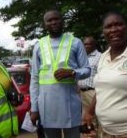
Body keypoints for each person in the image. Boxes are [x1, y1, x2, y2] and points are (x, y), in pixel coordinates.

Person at [30, 9, 91, 138]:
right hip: (47, 107)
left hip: (70, 105)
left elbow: (87, 70)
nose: (54, 22)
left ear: (63, 21)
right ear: (44, 24)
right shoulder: (38, 45)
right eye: (49, 20)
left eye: (56, 19)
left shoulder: (76, 42)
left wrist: (73, 72)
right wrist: (34, 108)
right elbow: (35, 78)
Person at [78, 36, 101, 138]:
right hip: (80, 93)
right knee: (84, 120)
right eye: (85, 44)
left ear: (94, 45)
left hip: (92, 93)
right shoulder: (82, 57)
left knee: (93, 120)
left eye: (89, 44)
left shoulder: (100, 57)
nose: (86, 46)